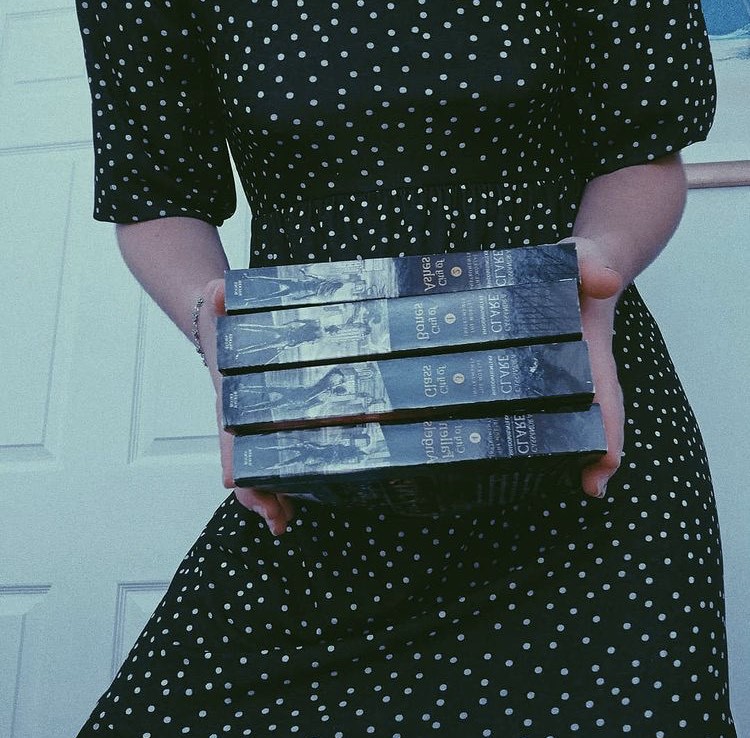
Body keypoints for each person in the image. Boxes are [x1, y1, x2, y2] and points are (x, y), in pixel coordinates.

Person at [74, 1, 736, 736]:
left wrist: (597, 271)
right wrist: (226, 344)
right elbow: (158, 195)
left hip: (572, 430)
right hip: (326, 454)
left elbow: (641, 152)